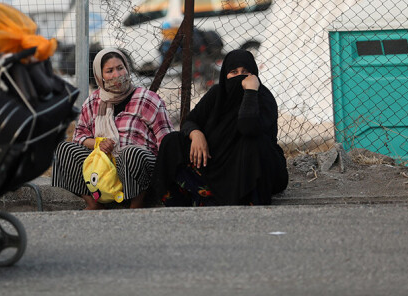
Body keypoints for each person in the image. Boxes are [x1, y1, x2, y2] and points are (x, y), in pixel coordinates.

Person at [151, 49, 288, 206]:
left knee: (252, 143)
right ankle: (191, 198)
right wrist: (196, 134)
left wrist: (250, 92)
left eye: (245, 72)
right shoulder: (217, 93)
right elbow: (191, 121)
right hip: (216, 161)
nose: (240, 77)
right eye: (234, 72)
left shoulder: (263, 98)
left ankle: (242, 199)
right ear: (225, 74)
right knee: (172, 141)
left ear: (254, 75)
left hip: (251, 167)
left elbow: (247, 127)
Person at [52, 48, 173, 209]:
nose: (117, 75)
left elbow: (166, 139)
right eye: (109, 71)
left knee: (131, 153)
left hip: (139, 167)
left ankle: (136, 204)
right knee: (64, 149)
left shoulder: (147, 99)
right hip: (103, 167)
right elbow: (79, 136)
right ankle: (94, 203)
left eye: (120, 68)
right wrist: (97, 144)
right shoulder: (93, 102)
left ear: (127, 68)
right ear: (99, 76)